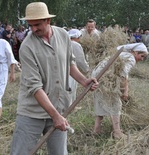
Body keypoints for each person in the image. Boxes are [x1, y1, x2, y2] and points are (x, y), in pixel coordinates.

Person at [10, 2, 98, 155]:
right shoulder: (27, 47)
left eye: (37, 24)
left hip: (59, 106)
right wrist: (55, 116)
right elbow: (35, 87)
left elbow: (70, 63)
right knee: (20, 152)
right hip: (32, 112)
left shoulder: (63, 35)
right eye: (30, 25)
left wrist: (84, 81)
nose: (33, 29)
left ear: (48, 20)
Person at [91, 43, 148, 139]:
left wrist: (125, 88)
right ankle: (117, 132)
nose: (141, 59)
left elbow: (123, 75)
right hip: (106, 79)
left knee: (100, 102)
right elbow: (122, 75)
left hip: (97, 77)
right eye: (141, 56)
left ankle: (97, 130)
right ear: (135, 52)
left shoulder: (123, 54)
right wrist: (124, 92)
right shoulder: (130, 58)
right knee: (116, 104)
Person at [68, 29, 90, 102]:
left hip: (65, 70)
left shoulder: (65, 42)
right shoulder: (76, 45)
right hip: (72, 71)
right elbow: (80, 60)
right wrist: (86, 69)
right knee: (71, 90)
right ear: (77, 37)